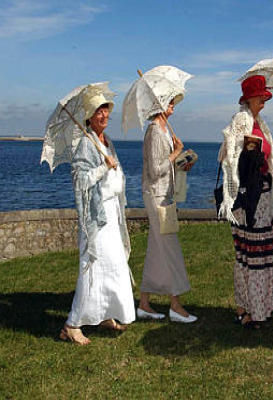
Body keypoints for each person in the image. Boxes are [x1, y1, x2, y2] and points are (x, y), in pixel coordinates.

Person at [60, 89, 135, 345]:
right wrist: (104, 167)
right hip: (96, 219)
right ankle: (72, 324)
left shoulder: (106, 141)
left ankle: (104, 314)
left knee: (113, 266)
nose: (103, 115)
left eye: (106, 110)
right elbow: (80, 181)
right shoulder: (84, 143)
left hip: (111, 215)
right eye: (98, 111)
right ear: (89, 117)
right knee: (92, 268)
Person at [217, 75, 273, 329]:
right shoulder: (241, 120)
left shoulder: (260, 123)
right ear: (248, 98)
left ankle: (256, 308)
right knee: (250, 255)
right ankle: (248, 310)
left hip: (262, 198)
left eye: (264, 97)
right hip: (248, 198)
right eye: (260, 97)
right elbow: (229, 155)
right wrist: (251, 158)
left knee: (258, 255)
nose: (263, 101)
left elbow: (263, 154)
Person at [137, 96, 197, 323]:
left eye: (173, 102)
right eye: (169, 102)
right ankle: (175, 305)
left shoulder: (163, 130)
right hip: (156, 197)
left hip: (164, 195)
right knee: (171, 250)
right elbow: (154, 170)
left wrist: (182, 161)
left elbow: (167, 166)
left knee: (157, 250)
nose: (173, 106)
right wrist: (175, 153)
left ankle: (144, 304)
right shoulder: (154, 131)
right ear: (159, 104)